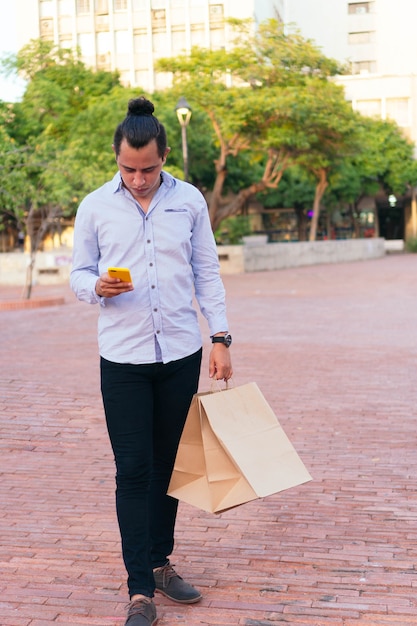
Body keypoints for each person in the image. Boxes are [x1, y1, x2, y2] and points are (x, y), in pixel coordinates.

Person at [70, 96, 233, 626]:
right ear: (116, 159)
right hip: (123, 357)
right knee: (133, 469)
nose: (138, 179)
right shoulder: (95, 205)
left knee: (169, 466)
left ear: (164, 156)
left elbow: (207, 271)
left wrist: (221, 337)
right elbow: (77, 272)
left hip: (181, 352)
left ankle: (161, 564)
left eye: (149, 169)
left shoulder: (189, 202)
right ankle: (139, 588)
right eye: (128, 169)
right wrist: (95, 287)